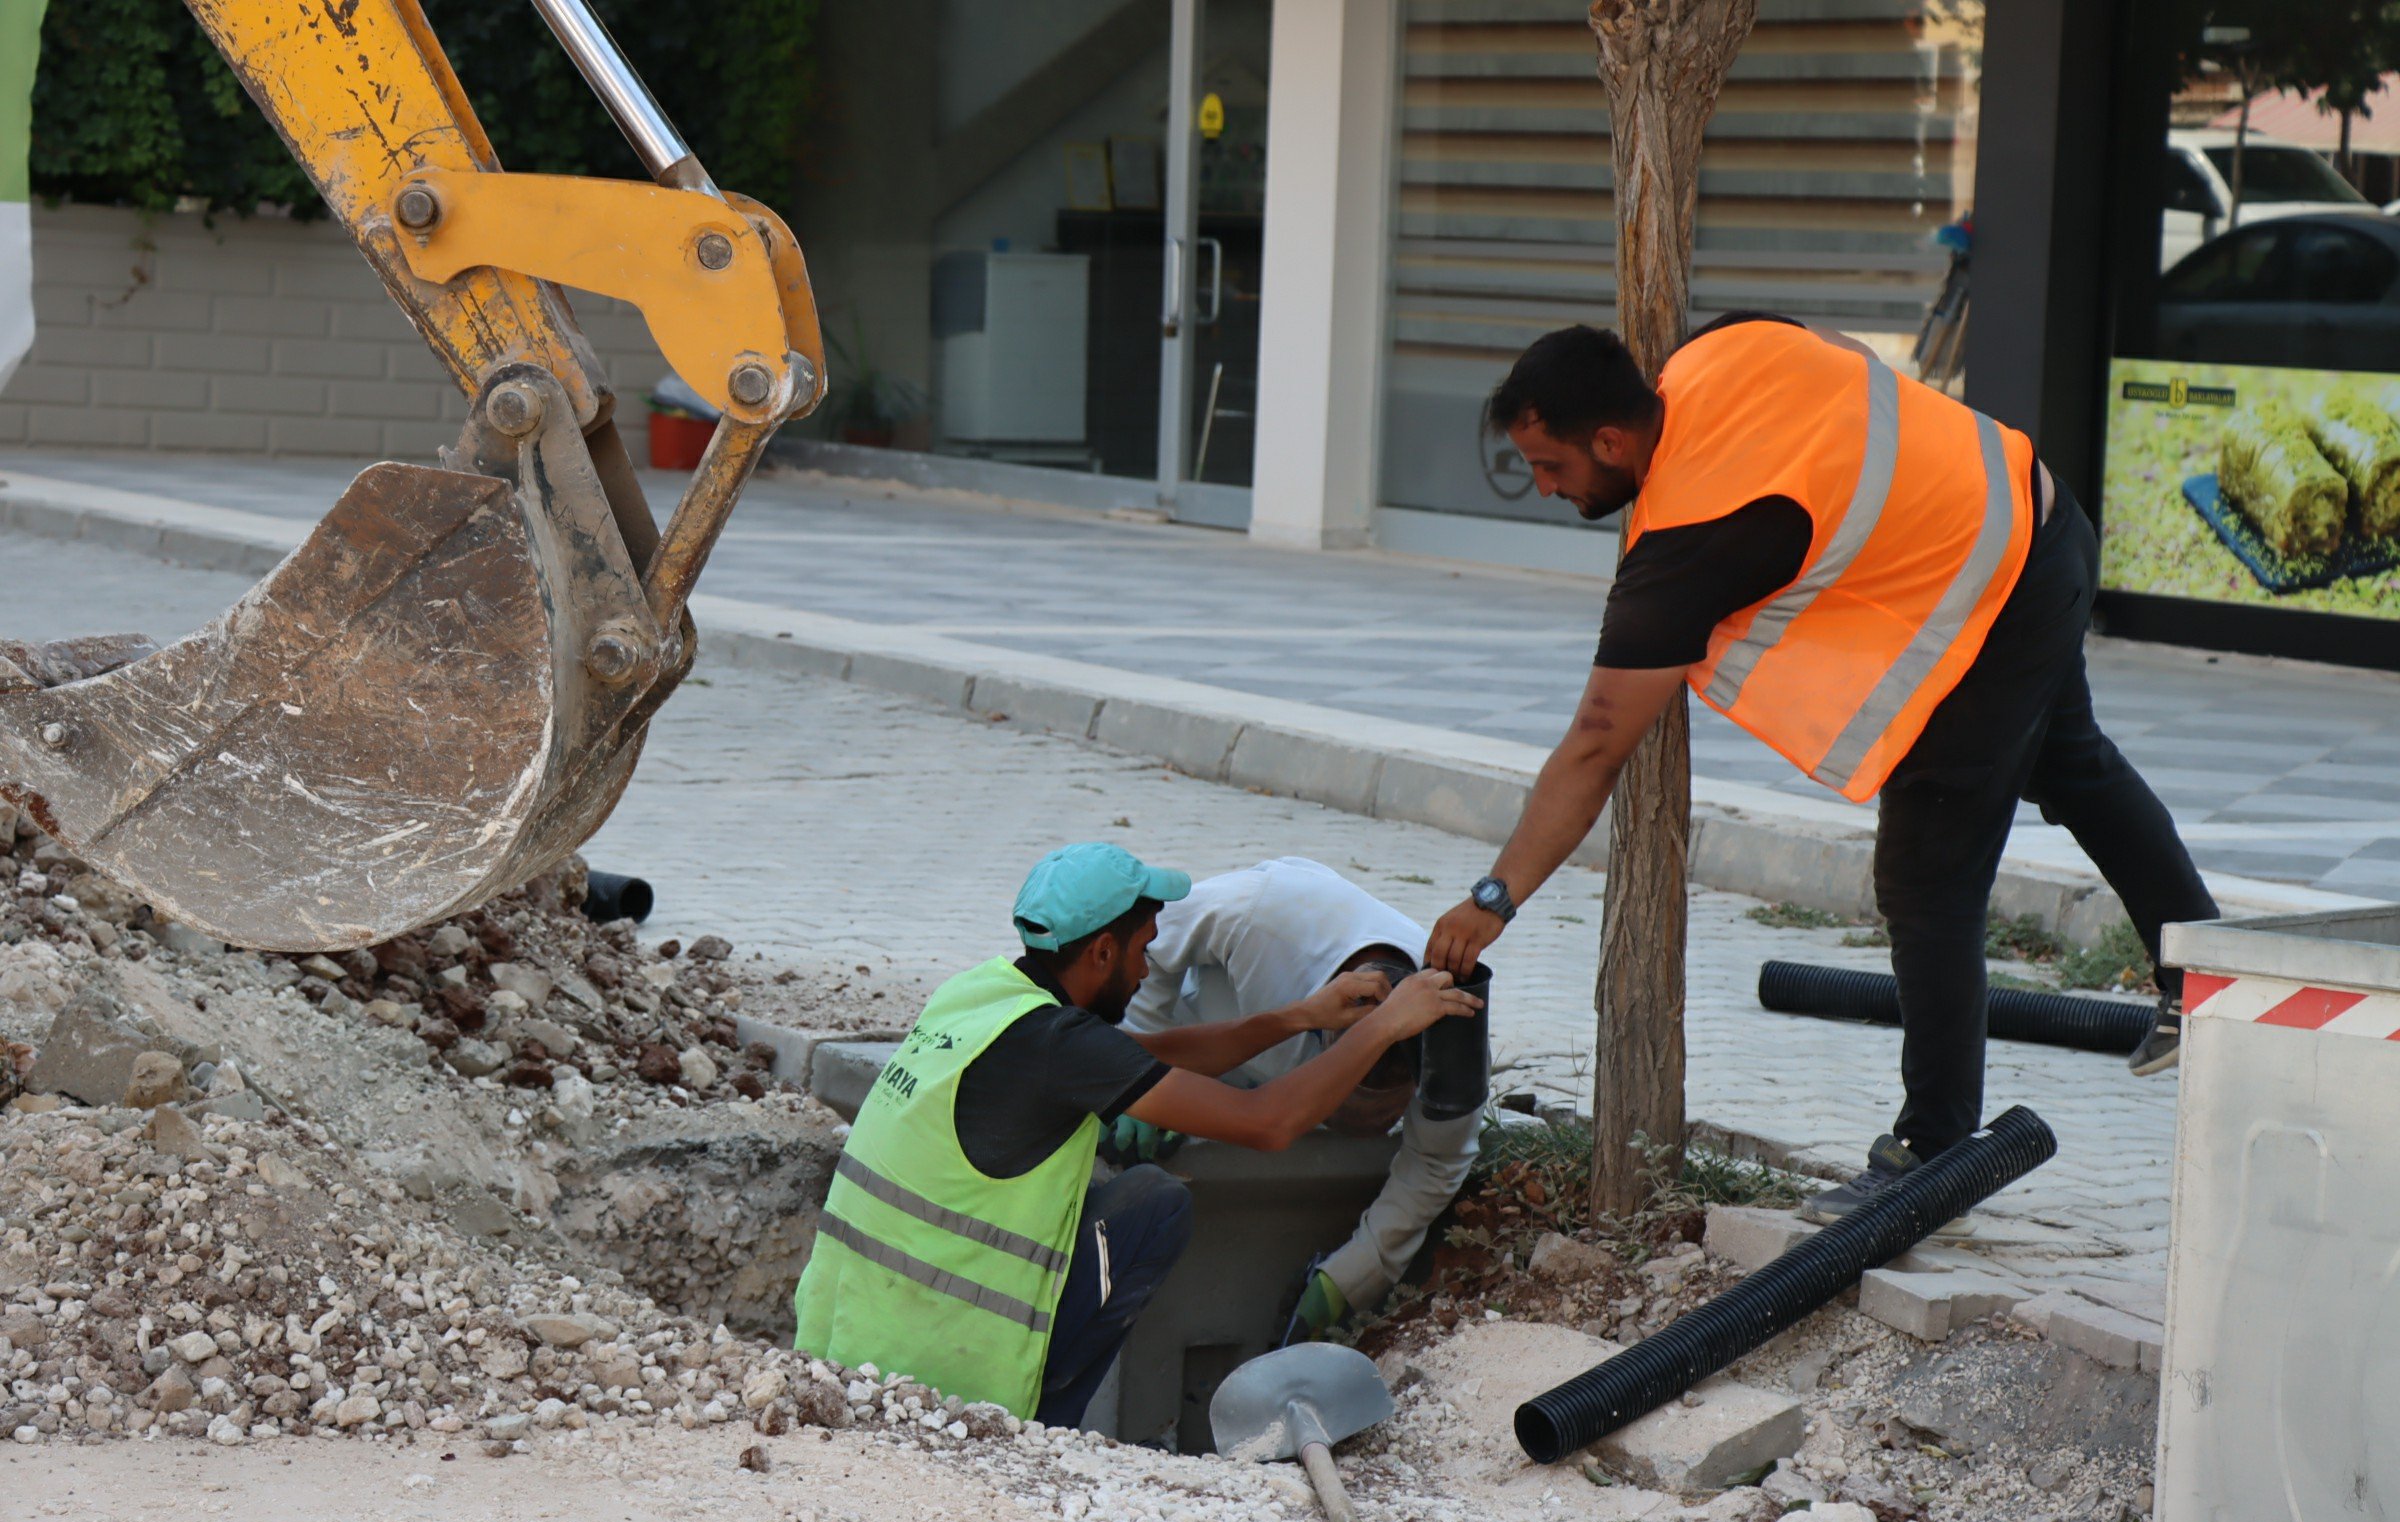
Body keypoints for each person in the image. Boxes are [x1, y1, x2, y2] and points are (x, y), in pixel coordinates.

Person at [1425, 315, 2218, 1225]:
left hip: (1987, 606)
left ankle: (1932, 1152)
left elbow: (1596, 746)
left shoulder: (1687, 541)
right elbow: (1838, 350)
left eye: (1552, 466)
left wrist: (1494, 899)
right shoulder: (1718, 350)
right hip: (2033, 514)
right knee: (2073, 766)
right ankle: (2201, 973)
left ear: (1610, 440)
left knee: (1927, 881)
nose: (1544, 487)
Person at [791, 842, 1477, 1425]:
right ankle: (1040, 1428)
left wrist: (1299, 1016)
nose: (1151, 968)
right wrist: (1383, 1026)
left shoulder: (984, 997)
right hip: (947, 1376)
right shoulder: (1064, 1048)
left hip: (843, 1343)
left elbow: (1156, 1052)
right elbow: (1268, 1124)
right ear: (1100, 953)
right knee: (1152, 1204)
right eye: (1143, 950)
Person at [1120, 857, 1481, 1340]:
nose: (1341, 1119)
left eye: (1386, 1110)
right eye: (1344, 1104)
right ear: (1329, 1042)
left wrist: (1347, 1280)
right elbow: (1153, 943)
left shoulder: (1452, 1032)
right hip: (1201, 1030)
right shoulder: (1261, 915)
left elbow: (1438, 1162)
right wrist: (1142, 1072)